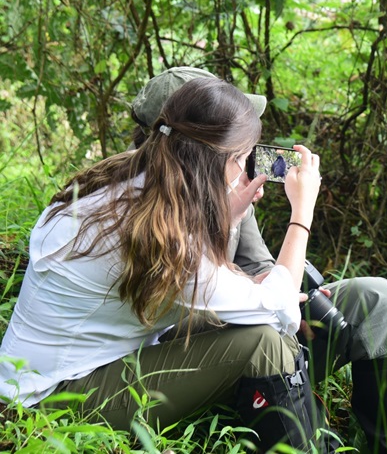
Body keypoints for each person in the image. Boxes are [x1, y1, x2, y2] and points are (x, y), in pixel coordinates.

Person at [0, 77, 326, 451]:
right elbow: (281, 311)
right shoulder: (157, 238)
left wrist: (231, 215)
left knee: (245, 321)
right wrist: (302, 212)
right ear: (218, 163)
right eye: (244, 158)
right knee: (262, 343)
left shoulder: (131, 186)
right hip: (46, 403)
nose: (248, 168)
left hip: (60, 372)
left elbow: (208, 281)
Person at [130, 67, 387, 453]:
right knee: (267, 329)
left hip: (255, 328)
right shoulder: (136, 205)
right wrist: (294, 228)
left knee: (376, 298)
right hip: (192, 358)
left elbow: (259, 265)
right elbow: (166, 311)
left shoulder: (228, 183)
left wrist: (288, 292)